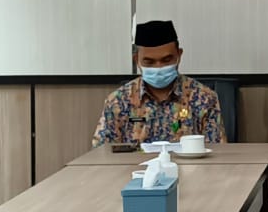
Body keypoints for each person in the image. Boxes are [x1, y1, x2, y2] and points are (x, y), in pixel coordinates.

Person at [93, 20, 226, 146]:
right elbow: (103, 153)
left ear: (179, 55)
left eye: (166, 60)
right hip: (135, 164)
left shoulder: (204, 98)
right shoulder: (118, 101)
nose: (158, 67)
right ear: (136, 60)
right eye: (149, 62)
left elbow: (217, 152)